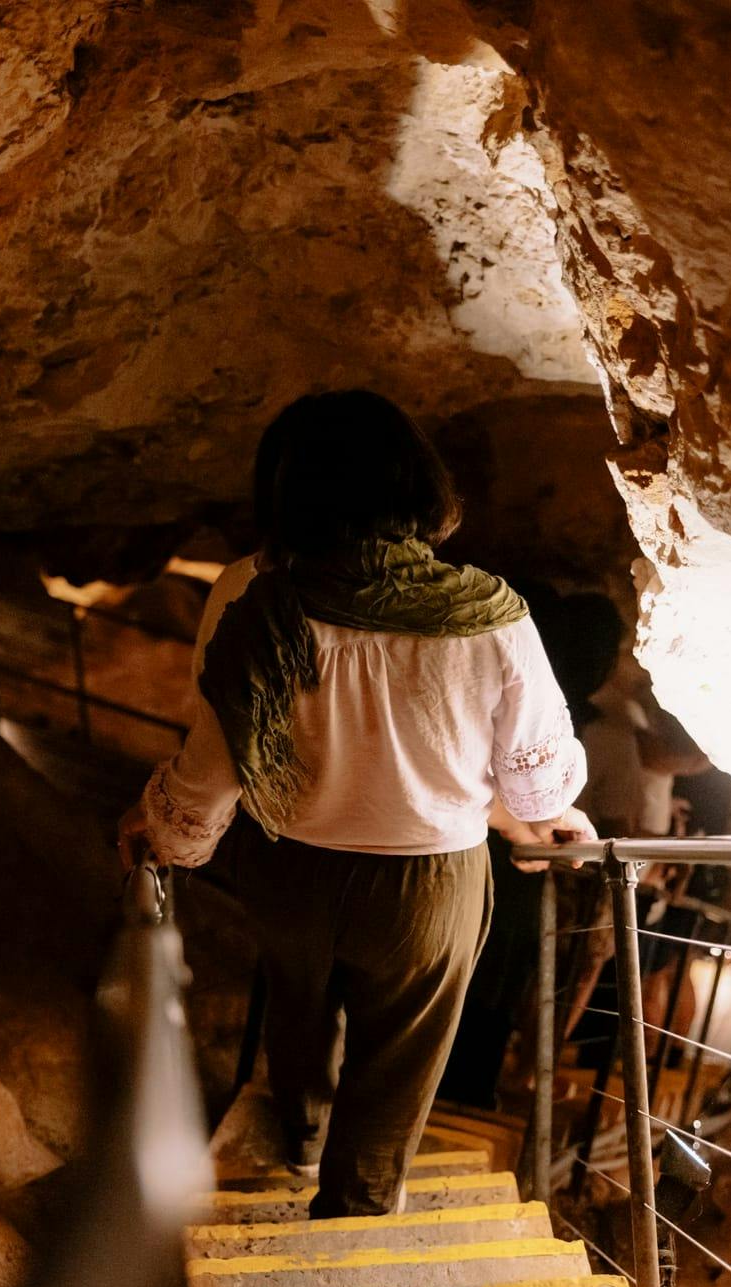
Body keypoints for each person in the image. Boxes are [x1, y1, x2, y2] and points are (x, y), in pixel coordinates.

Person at [118, 390, 594, 1218]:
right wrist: (554, 817)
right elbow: (537, 786)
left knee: (298, 1009)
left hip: (288, 869)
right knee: (401, 1057)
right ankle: (356, 1210)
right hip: (429, 881)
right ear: (420, 485)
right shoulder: (489, 617)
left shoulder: (260, 608)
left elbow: (213, 764)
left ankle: (299, 1136)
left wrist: (163, 831)